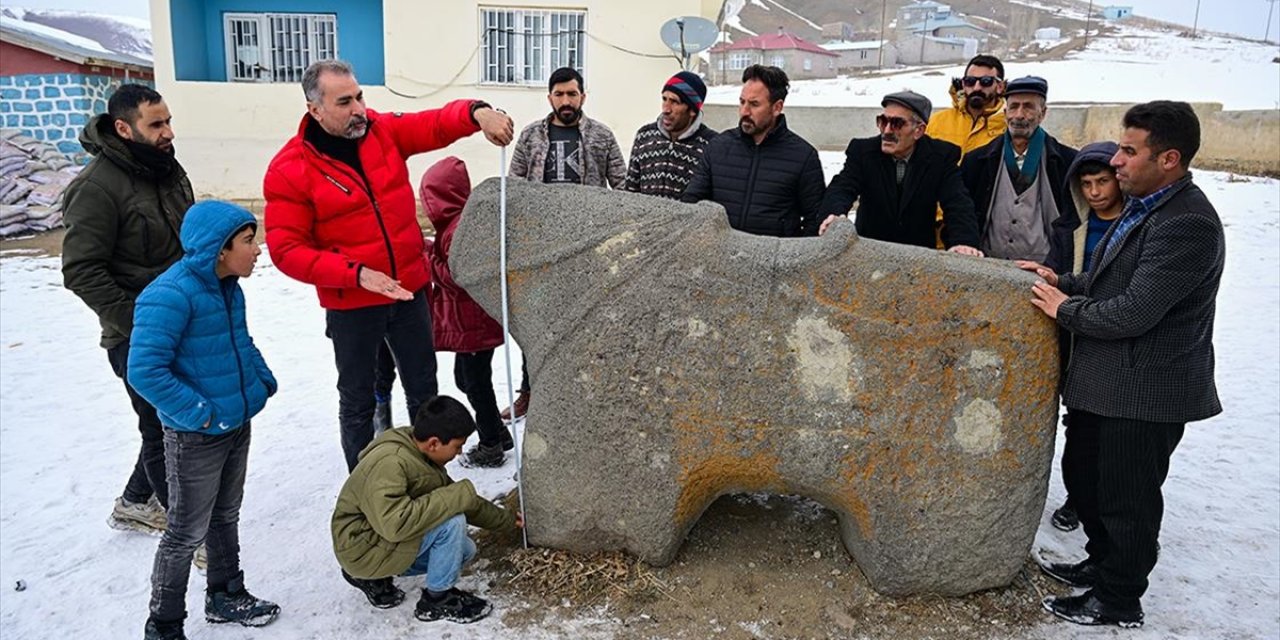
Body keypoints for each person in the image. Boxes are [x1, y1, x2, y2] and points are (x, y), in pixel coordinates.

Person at [1021, 102, 1225, 628]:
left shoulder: (1189, 223)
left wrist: (1063, 309)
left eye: (1130, 151)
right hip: (1109, 384)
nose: (1116, 161)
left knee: (1128, 501)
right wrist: (1061, 280)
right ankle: (1101, 564)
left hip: (1145, 392)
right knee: (1092, 483)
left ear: (1170, 159)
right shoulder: (1148, 207)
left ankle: (1119, 598)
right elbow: (1111, 281)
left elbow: (1134, 311)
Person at [263, 59, 515, 472]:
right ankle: (367, 493)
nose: (359, 108)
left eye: (360, 96)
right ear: (315, 110)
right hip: (353, 304)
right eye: (345, 102)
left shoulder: (381, 131)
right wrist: (356, 274)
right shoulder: (290, 169)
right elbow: (287, 250)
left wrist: (478, 113)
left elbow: (434, 124)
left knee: (424, 393)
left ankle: (428, 482)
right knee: (359, 401)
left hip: (410, 293)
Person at [128, 201, 279, 640]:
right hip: (196, 434)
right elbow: (144, 370)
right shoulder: (170, 294)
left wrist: (260, 382)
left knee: (225, 515)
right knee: (184, 532)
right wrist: (200, 413)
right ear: (218, 249)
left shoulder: (229, 287)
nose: (257, 249)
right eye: (249, 241)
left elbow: (241, 342)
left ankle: (226, 594)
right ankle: (164, 624)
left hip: (235, 421)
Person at [61, 84, 192, 536]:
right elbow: (81, 270)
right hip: (135, 333)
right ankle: (186, 530)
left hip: (184, 321)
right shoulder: (96, 187)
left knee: (173, 420)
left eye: (168, 121)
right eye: (156, 124)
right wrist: (142, 323)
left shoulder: (166, 169)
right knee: (162, 430)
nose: (168, 132)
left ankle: (136, 500)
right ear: (123, 128)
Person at [331, 395, 522, 625]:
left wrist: (508, 520)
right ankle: (438, 600)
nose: (460, 453)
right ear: (434, 443)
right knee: (452, 523)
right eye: (457, 446)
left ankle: (376, 576)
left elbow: (466, 501)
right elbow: (395, 525)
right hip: (360, 547)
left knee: (464, 550)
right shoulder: (390, 463)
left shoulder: (418, 452)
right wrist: (453, 497)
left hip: (375, 539)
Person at [421, 157, 515, 468]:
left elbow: (458, 277)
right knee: (466, 380)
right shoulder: (455, 226)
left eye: (428, 197)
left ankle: (491, 444)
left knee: (476, 385)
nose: (426, 204)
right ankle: (497, 431)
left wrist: (428, 259)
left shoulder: (458, 229)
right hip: (472, 322)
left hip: (475, 322)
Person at [816, 91, 981, 254]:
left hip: (919, 258)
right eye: (882, 121)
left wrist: (963, 242)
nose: (887, 131)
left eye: (896, 123)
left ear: (919, 130)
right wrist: (834, 216)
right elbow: (842, 188)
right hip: (869, 254)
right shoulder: (863, 152)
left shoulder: (941, 157)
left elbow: (958, 203)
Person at [681, 64, 825, 237]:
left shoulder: (804, 157)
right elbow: (691, 203)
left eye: (754, 104)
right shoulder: (718, 147)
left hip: (774, 261)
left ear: (777, 107)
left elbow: (814, 220)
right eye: (742, 102)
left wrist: (790, 258)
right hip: (721, 259)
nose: (744, 111)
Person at [961, 76, 1078, 262]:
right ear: (1005, 112)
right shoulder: (976, 161)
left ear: (1043, 113)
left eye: (1028, 107)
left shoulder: (1067, 162)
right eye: (1014, 107)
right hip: (987, 266)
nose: (1019, 115)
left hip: (1044, 271)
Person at [927, 54, 1008, 248]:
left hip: (980, 231)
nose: (977, 87)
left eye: (986, 81)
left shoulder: (1009, 128)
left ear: (1000, 86)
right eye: (970, 81)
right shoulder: (938, 121)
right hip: (931, 227)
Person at [510, 66, 627, 188]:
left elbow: (622, 185)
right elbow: (514, 184)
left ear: (582, 98)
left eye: (572, 94)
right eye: (559, 94)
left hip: (590, 207)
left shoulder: (603, 135)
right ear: (550, 99)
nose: (565, 102)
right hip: (539, 207)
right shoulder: (530, 135)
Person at [624, 70, 717, 199]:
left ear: (692, 110)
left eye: (675, 102)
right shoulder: (644, 136)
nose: (666, 109)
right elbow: (630, 191)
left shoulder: (711, 145)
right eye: (664, 99)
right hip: (644, 219)